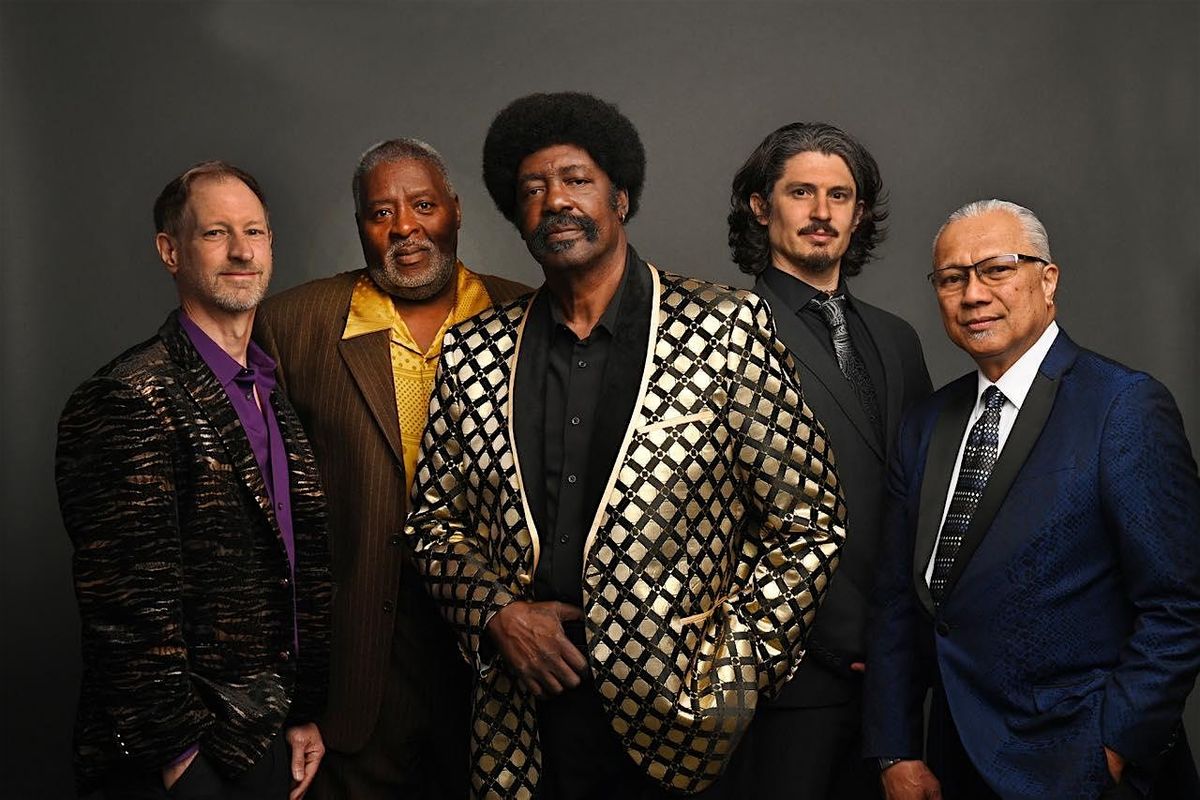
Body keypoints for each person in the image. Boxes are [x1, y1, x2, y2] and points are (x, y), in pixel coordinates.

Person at [405, 91, 847, 800]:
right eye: (532, 189)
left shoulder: (725, 329)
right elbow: (432, 521)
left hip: (683, 716)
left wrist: (734, 673)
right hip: (523, 717)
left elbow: (809, 521)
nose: (555, 200)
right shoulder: (473, 351)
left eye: (576, 179)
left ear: (621, 198)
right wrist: (494, 614)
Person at [863, 199, 1200, 800]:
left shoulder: (1123, 407)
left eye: (997, 269)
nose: (973, 294)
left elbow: (1180, 603)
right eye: (952, 278)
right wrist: (896, 750)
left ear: (1048, 281)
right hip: (950, 764)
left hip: (1076, 763)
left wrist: (1112, 749)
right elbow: (895, 602)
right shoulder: (926, 424)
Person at [254, 138, 529, 799]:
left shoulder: (526, 316)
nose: (404, 226)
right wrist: (292, 691)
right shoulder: (293, 325)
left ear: (455, 211)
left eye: (423, 205)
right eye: (382, 212)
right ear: (361, 226)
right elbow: (263, 521)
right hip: (359, 665)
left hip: (497, 651)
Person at [56, 161, 332, 799]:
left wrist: (301, 711)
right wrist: (181, 761)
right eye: (215, 233)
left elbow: (292, 565)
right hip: (189, 756)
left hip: (268, 737)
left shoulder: (271, 391)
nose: (241, 251)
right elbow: (126, 609)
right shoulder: (128, 397)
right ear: (170, 251)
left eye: (254, 232)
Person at [727, 122, 932, 799]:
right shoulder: (721, 334)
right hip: (785, 678)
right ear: (761, 206)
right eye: (801, 192)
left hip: (900, 679)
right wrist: (841, 637)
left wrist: (897, 642)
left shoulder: (898, 340)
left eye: (839, 195)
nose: (821, 212)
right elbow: (712, 516)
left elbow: (918, 500)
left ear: (859, 212)